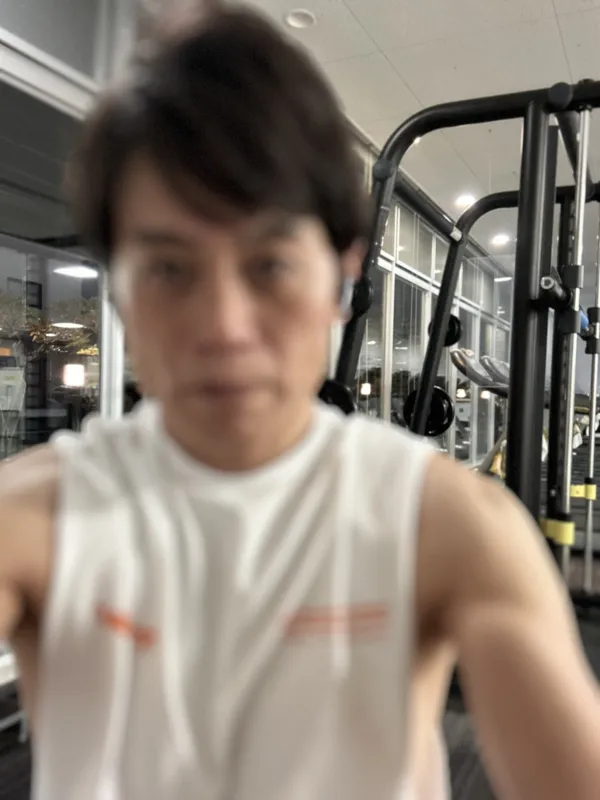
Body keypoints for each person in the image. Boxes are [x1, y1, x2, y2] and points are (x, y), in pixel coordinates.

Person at [1, 6, 599, 799]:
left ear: (342, 278)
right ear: (121, 291)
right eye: (171, 269)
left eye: (271, 266)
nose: (224, 327)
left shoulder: (451, 528)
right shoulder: (36, 516)